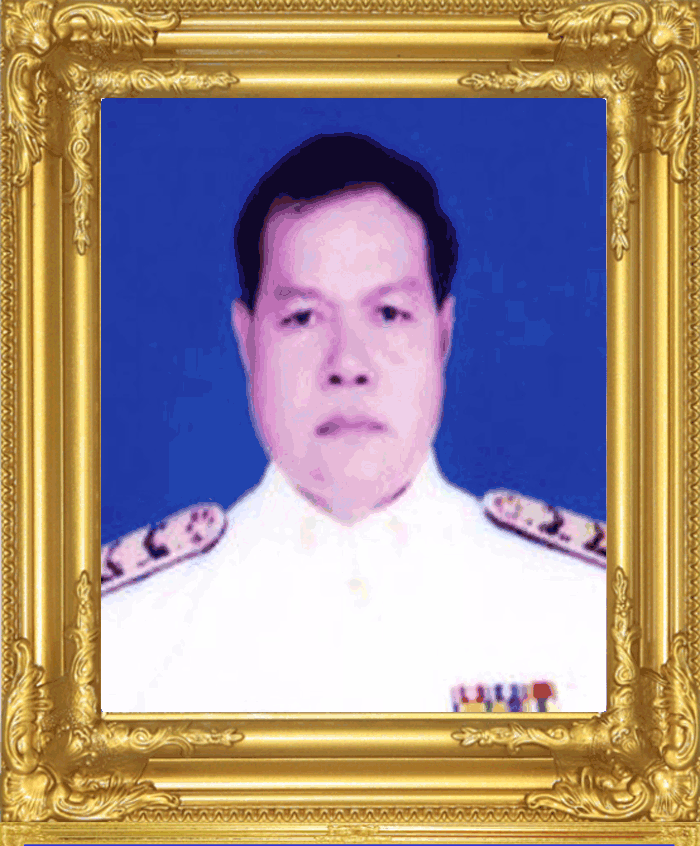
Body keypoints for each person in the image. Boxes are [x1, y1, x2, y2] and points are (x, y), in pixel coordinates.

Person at [101, 134, 606, 715]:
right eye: (303, 318)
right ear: (247, 342)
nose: (347, 364)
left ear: (442, 336)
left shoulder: (591, 614)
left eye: (389, 313)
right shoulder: (120, 636)